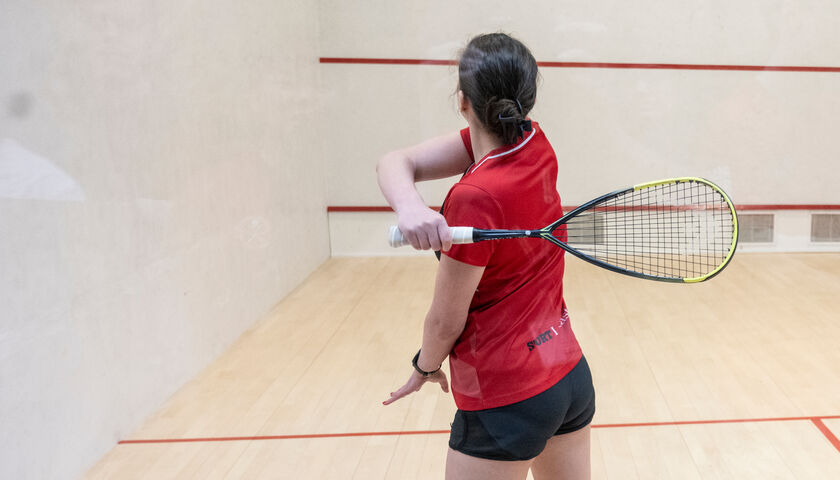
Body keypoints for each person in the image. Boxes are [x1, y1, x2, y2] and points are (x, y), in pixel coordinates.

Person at [376, 33, 595, 480]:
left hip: (506, 399)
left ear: (463, 101)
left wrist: (425, 366)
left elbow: (445, 320)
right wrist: (412, 208)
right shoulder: (535, 143)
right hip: (568, 377)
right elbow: (396, 162)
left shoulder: (475, 196)